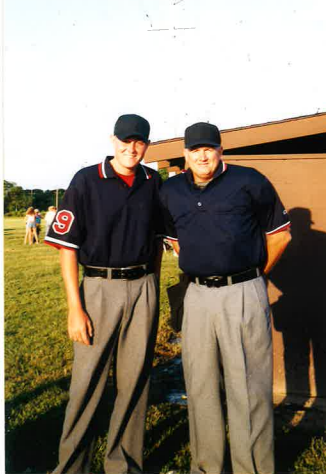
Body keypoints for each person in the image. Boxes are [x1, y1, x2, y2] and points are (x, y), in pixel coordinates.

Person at [160, 122, 292, 474]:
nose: (202, 155)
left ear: (221, 150)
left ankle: (252, 468)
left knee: (248, 386)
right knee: (200, 385)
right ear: (185, 154)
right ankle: (206, 468)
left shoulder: (249, 181)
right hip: (198, 294)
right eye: (195, 149)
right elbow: (173, 239)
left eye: (209, 148)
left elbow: (280, 235)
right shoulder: (171, 189)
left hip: (243, 291)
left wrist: (251, 275)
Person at [45, 114, 163, 474]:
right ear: (113, 141)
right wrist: (74, 308)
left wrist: (154, 289)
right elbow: (68, 248)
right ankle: (71, 466)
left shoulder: (152, 181)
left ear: (146, 144)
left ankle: (123, 465)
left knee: (135, 381)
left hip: (143, 286)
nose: (132, 148)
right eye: (125, 141)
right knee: (87, 384)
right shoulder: (86, 180)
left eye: (139, 141)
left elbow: (158, 241)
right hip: (98, 287)